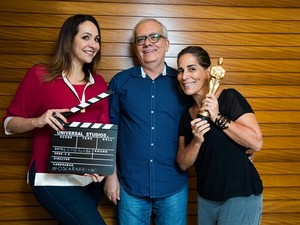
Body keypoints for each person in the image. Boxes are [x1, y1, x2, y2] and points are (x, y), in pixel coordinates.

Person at [2, 14, 109, 225]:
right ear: (69, 40)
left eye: (97, 39)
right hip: (50, 177)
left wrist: (104, 169)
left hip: (90, 180)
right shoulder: (40, 75)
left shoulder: (99, 83)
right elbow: (8, 123)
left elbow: (103, 132)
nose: (93, 45)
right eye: (86, 37)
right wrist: (38, 121)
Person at [104, 18, 192, 225]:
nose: (148, 43)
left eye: (154, 36)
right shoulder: (120, 82)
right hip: (130, 186)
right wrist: (110, 175)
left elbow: (203, 117)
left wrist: (237, 148)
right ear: (135, 47)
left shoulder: (184, 83)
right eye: (141, 39)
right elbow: (109, 130)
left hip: (173, 186)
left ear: (166, 44)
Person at [176, 46, 263, 225]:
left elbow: (256, 142)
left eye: (192, 69)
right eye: (180, 70)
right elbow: (183, 163)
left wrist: (216, 116)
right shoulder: (187, 115)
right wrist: (197, 142)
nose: (184, 76)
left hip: (240, 194)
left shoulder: (229, 97)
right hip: (206, 198)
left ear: (208, 72)